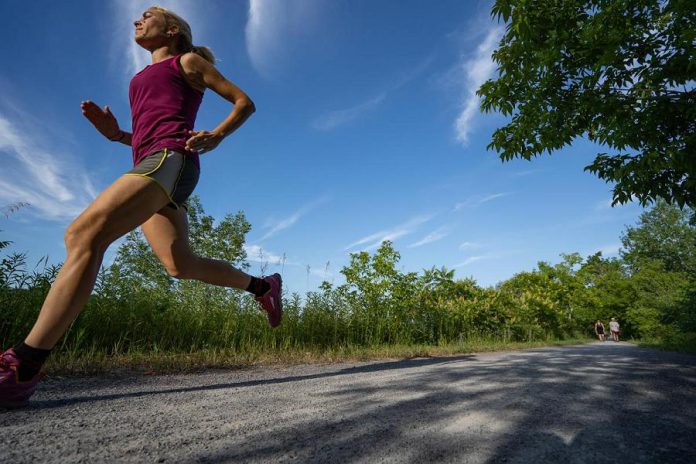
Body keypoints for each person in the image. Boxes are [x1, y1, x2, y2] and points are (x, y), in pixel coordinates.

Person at [0, 6, 282, 409]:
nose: (137, 19)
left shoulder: (187, 61)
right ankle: (262, 286)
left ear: (171, 30)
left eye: (147, 14)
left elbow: (244, 102)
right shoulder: (138, 79)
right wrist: (117, 135)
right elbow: (148, 132)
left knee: (83, 235)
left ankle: (23, 365)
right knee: (179, 264)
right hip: (153, 162)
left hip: (170, 160)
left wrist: (216, 136)